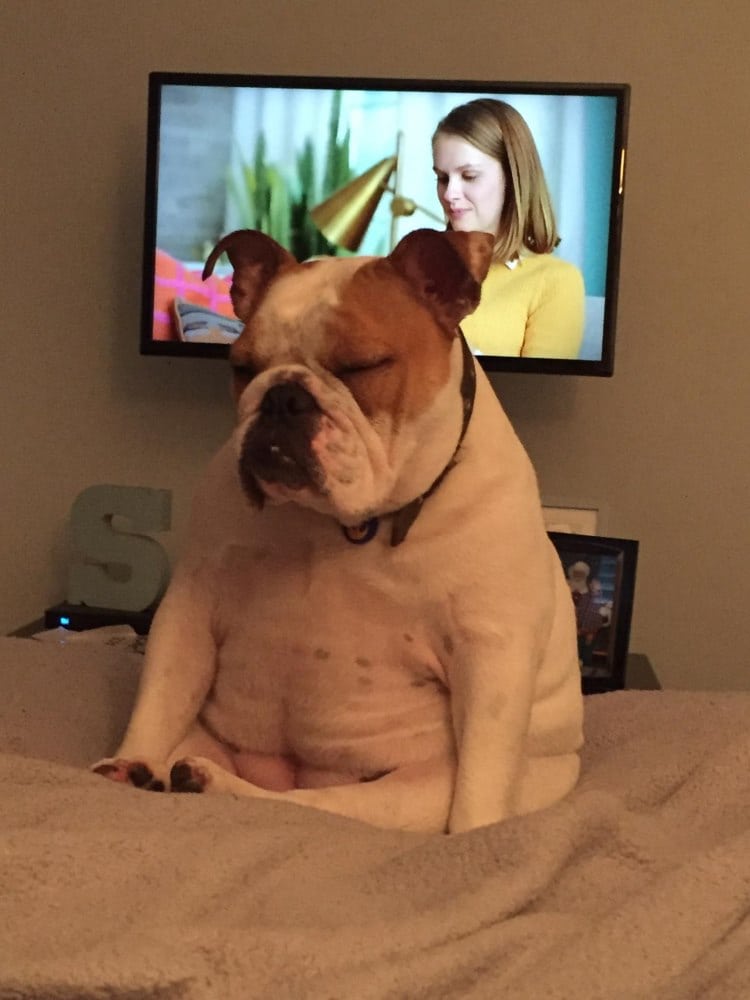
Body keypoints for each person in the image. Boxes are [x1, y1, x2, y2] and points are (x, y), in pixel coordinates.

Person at [432, 98, 584, 358]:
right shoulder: (419, 268)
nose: (449, 193)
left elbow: (538, 384)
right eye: (442, 178)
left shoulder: (556, 280)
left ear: (512, 179)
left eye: (469, 176)